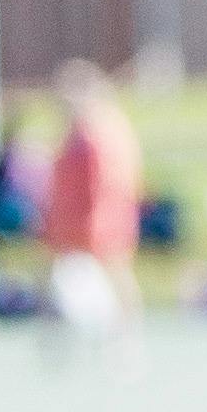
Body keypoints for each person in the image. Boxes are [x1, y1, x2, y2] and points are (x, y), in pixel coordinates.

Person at [41, 60, 143, 346]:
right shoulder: (75, 129)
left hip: (101, 214)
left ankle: (126, 332)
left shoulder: (105, 129)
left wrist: (98, 212)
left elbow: (113, 177)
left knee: (115, 269)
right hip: (71, 216)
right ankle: (57, 330)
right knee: (59, 270)